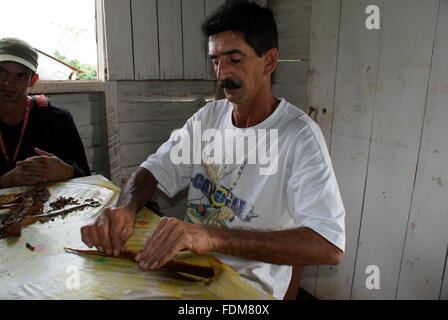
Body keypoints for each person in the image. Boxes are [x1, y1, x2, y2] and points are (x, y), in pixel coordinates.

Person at [81, 0, 345, 299]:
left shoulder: (299, 136)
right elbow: (152, 170)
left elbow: (328, 245)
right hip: (191, 267)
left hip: (248, 286)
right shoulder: (208, 118)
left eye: (235, 59)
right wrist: (125, 208)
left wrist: (210, 236)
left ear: (269, 62)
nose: (222, 73)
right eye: (216, 60)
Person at [0, 37, 90, 188]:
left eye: (21, 76)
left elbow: (86, 175)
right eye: (2, 72)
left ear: (32, 81)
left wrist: (67, 171)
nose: (9, 83)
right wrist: (5, 181)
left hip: (48, 208)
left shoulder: (56, 118)